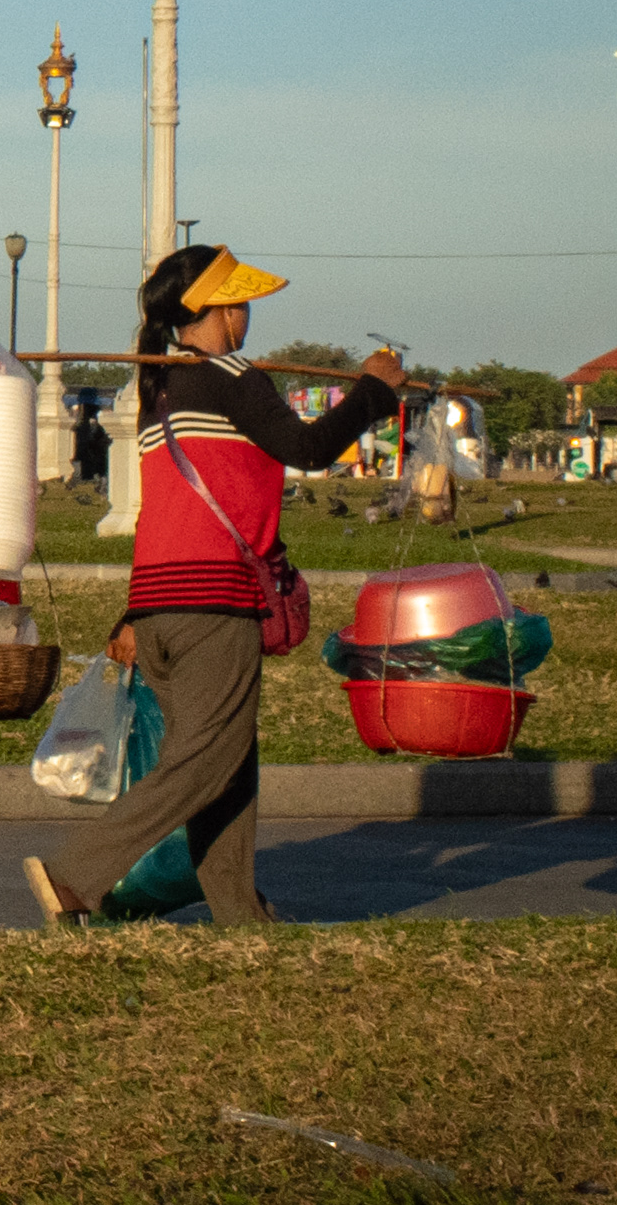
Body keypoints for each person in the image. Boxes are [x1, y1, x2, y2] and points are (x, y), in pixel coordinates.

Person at [24, 245, 404, 931]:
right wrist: (373, 392)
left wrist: (133, 613)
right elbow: (310, 449)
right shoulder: (231, 376)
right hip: (214, 602)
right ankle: (75, 875)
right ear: (221, 311)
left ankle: (239, 913)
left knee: (228, 758)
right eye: (241, 302)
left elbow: (169, 511)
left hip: (160, 605)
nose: (248, 313)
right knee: (206, 759)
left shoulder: (161, 389)